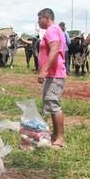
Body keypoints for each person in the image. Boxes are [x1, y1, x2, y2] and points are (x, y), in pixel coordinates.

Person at [37, 8, 68, 148]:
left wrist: (44, 70)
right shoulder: (54, 30)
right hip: (53, 74)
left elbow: (54, 49)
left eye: (39, 18)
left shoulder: (51, 30)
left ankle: (60, 138)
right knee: (51, 104)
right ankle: (55, 135)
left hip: (55, 74)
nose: (38, 21)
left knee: (54, 105)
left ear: (46, 17)